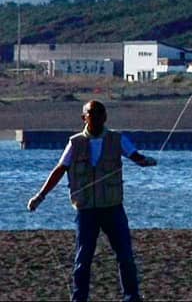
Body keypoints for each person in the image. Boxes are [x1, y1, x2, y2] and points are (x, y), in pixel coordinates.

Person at [26, 100, 157, 302]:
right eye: (91, 114)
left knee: (125, 255)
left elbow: (135, 156)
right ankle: (79, 298)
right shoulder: (75, 142)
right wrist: (40, 197)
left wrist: (146, 162)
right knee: (83, 258)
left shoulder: (117, 139)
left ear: (105, 117)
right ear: (83, 118)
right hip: (86, 210)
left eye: (99, 114)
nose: (95, 118)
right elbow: (60, 170)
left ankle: (131, 296)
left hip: (113, 208)